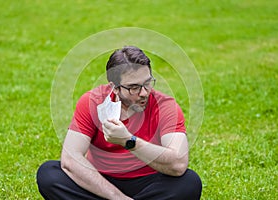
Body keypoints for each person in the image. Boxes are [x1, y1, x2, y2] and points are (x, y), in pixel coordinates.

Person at [36, 46, 202, 200]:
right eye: (133, 87)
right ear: (114, 87)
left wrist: (128, 141)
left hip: (149, 181)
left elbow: (178, 163)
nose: (144, 93)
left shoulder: (166, 106)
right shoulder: (92, 101)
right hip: (100, 180)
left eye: (147, 83)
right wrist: (118, 198)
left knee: (189, 183)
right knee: (49, 174)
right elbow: (70, 159)